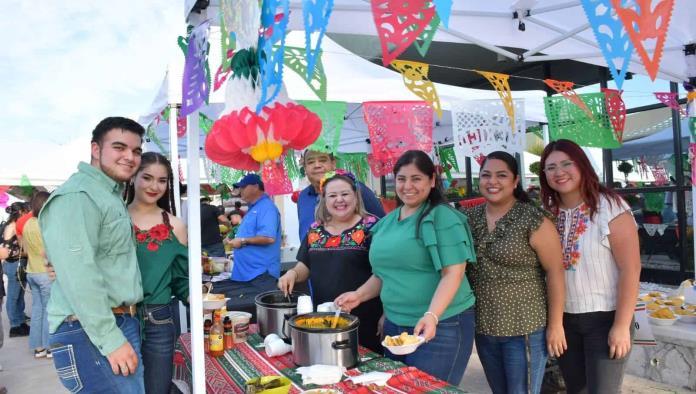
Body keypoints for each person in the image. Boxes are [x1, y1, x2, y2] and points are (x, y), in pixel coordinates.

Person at [336, 150, 477, 385]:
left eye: (416, 179)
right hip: (396, 326)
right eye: (401, 179)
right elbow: (383, 274)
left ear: (432, 181)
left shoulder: (443, 217)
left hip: (442, 326)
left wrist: (432, 316)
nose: (407, 186)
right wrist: (358, 295)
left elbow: (453, 273)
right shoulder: (388, 221)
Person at [40, 116, 146, 393]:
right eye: (119, 147)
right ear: (96, 150)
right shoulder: (78, 196)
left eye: (136, 151)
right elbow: (80, 277)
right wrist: (111, 339)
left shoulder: (105, 194)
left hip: (109, 324)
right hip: (92, 330)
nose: (130, 157)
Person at [539, 139, 641, 394]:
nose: (558, 172)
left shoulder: (611, 207)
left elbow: (631, 269)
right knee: (576, 390)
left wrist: (620, 326)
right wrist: (555, 323)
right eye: (550, 167)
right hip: (564, 321)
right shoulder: (548, 213)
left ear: (582, 165)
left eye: (566, 163)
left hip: (605, 318)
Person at [463, 151, 566, 394]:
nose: (492, 181)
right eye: (486, 175)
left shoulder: (533, 219)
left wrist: (556, 325)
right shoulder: (469, 218)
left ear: (515, 181)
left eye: (501, 175)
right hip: (485, 328)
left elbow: (555, 272)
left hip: (525, 330)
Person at [278, 170, 383, 352]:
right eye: (332, 195)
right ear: (324, 200)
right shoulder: (315, 230)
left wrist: (386, 314)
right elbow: (306, 265)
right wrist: (292, 273)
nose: (339, 200)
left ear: (356, 196)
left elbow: (385, 273)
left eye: (345, 194)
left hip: (365, 319)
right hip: (324, 318)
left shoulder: (373, 227)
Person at [125, 152, 189, 394]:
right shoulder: (113, 217)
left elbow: (182, 280)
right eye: (147, 177)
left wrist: (198, 298)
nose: (154, 186)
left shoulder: (175, 225)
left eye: (162, 180)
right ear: (133, 177)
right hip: (117, 318)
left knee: (156, 389)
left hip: (159, 318)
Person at [298, 150, 385, 241]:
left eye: (323, 160)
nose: (317, 165)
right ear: (305, 167)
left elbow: (383, 226)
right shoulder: (303, 197)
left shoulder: (356, 189)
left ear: (333, 163)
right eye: (311, 162)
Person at [224, 174, 282, 295]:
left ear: (256, 187)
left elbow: (268, 237)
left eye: (244, 187)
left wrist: (243, 241)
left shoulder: (266, 207)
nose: (241, 190)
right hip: (249, 275)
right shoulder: (253, 208)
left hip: (261, 275)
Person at [23, 191, 52, 358]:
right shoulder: (44, 223)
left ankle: (38, 347)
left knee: (37, 310)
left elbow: (27, 249)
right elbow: (46, 251)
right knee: (49, 310)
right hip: (44, 272)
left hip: (32, 271)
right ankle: (49, 347)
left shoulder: (28, 224)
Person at [1, 201, 30, 337]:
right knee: (13, 296)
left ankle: (20, 321)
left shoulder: (13, 225)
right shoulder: (12, 226)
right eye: (25, 212)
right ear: (20, 212)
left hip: (17, 263)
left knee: (19, 296)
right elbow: (16, 247)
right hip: (14, 264)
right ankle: (15, 326)